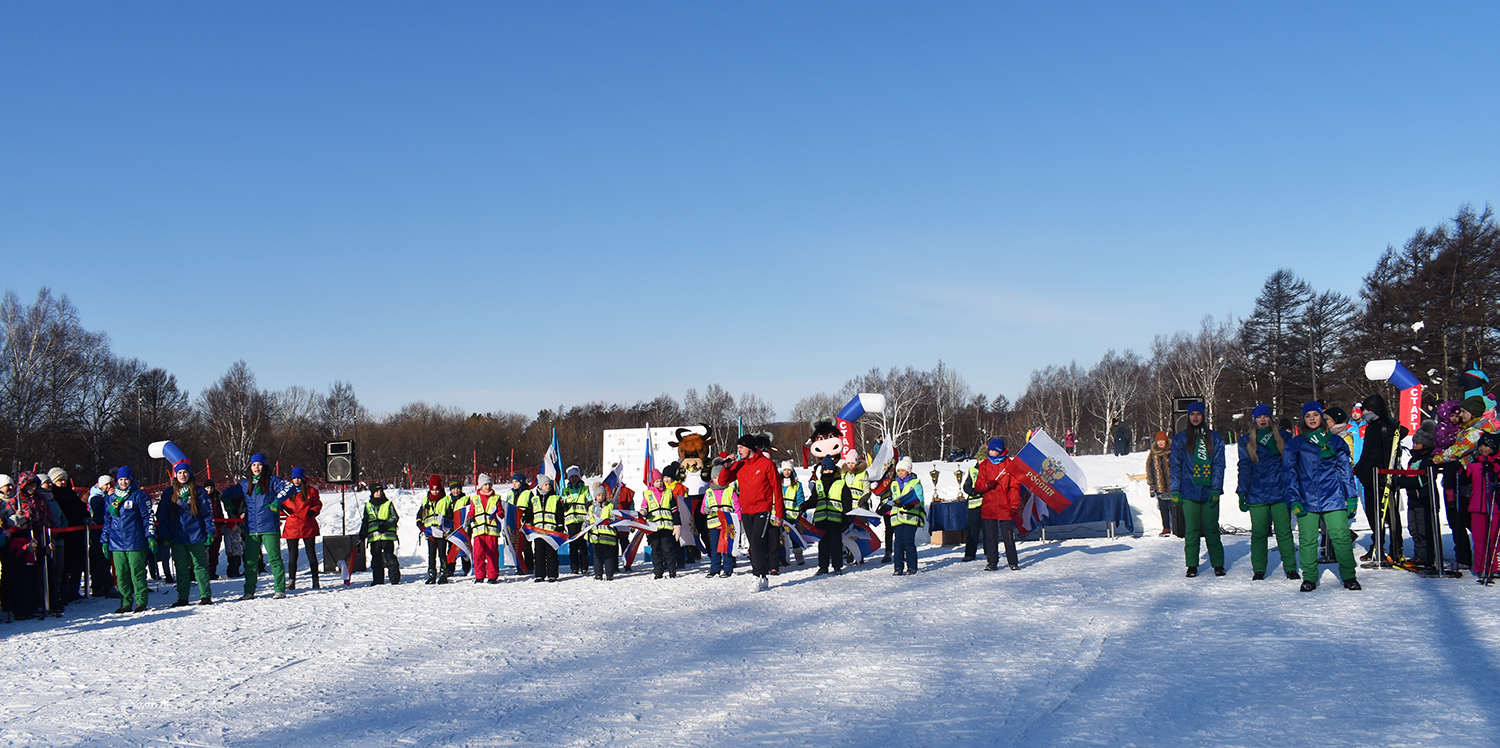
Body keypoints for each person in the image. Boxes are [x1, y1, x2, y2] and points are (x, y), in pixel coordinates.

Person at [1284, 402, 1362, 591]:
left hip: (1333, 497)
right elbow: (1289, 473)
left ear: (1322, 418)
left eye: (1315, 415)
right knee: (1308, 540)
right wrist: (1293, 498)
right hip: (1306, 499)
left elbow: (1345, 471)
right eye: (1308, 415)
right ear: (1303, 419)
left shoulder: (1335, 442)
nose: (1312, 418)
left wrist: (1350, 497)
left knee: (1341, 538)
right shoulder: (1296, 443)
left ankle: (1349, 576)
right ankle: (1309, 578)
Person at [1237, 405, 1298, 581]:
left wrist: (1292, 490)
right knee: (1259, 532)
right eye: (1259, 417)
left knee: (1284, 532)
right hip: (1257, 493)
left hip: (1280, 492)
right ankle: (1259, 569)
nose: (1262, 420)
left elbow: (1291, 466)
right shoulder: (1246, 440)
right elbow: (1245, 467)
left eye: (1265, 416)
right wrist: (1242, 492)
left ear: (1270, 418)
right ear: (1254, 419)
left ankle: (1291, 568)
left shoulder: (1284, 437)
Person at [718, 433, 783, 592]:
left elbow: (777, 489)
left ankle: (757, 576)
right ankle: (763, 575)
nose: (738, 450)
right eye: (738, 447)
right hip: (746, 510)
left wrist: (780, 514)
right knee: (755, 545)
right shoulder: (740, 464)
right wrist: (727, 466)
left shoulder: (767, 464)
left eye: (741, 447)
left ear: (749, 447)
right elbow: (722, 481)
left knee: (755, 541)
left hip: (763, 508)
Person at [1169, 402, 1226, 577]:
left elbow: (1218, 465)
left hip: (1209, 491)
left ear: (1203, 416)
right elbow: (1175, 465)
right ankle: (1192, 565)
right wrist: (1175, 490)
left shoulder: (1214, 438)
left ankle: (1218, 564)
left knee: (1212, 529)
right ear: (1188, 417)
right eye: (1192, 414)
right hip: (1188, 491)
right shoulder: (1180, 439)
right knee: (1191, 530)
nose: (1195, 417)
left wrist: (1216, 488)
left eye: (1198, 414)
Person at [1354, 393, 1407, 564]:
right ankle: (1377, 544)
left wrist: (1387, 476)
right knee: (1372, 514)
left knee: (1389, 516)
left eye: (1368, 410)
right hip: (1369, 477)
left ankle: (1395, 549)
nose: (1365, 413)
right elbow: (1367, 454)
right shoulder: (1370, 427)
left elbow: (1387, 454)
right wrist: (1360, 469)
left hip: (1383, 478)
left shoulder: (1386, 426)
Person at [158, 460, 215, 606]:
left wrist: (209, 531)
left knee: (200, 565)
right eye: (179, 473)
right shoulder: (169, 492)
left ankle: (205, 596)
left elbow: (207, 514)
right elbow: (162, 514)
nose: (182, 475)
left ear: (190, 474)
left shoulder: (199, 491)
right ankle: (183, 597)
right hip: (177, 536)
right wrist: (164, 533)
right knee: (181, 567)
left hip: (196, 534)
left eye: (185, 472)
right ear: (175, 475)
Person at [102, 466, 155, 613]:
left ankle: (141, 601)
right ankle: (125, 602)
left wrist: (150, 536)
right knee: (121, 574)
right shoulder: (111, 498)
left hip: (135, 541)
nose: (123, 482)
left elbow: (148, 518)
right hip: (116, 542)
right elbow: (107, 521)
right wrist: (104, 540)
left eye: (126, 479)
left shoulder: (139, 496)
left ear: (131, 480)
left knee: (137, 573)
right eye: (120, 479)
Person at [239, 453, 292, 600]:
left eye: (259, 464)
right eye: (254, 465)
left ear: (264, 466)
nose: (257, 467)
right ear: (250, 467)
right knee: (250, 561)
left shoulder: (272, 480)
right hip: (251, 528)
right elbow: (229, 494)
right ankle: (249, 591)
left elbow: (290, 487)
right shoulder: (245, 483)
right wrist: (229, 506)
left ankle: (280, 589)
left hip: (269, 525)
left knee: (274, 558)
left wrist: (277, 501)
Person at [973, 437, 1023, 570]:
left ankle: (1013, 562)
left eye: (992, 450)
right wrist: (987, 485)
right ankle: (992, 562)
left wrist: (1014, 504)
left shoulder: (1010, 465)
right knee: (990, 537)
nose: (989, 452)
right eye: (989, 449)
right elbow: (978, 485)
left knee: (1008, 536)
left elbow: (1014, 487)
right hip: (989, 506)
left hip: (1004, 506)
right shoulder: (984, 465)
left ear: (999, 451)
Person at [1435, 400, 1472, 568]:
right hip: (1451, 474)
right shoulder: (1444, 428)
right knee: (1455, 515)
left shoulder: (1469, 430)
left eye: (1459, 415)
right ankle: (1463, 555)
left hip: (1463, 476)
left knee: (1466, 516)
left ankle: (1470, 555)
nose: (1457, 419)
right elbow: (1446, 445)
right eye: (1454, 416)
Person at [45, 468, 90, 604]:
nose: (63, 482)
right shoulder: (53, 497)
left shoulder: (71, 494)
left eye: (64, 479)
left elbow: (81, 508)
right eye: (59, 480)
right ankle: (63, 591)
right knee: (63, 564)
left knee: (77, 562)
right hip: (62, 536)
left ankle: (74, 589)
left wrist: (85, 517)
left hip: (77, 534)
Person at [804, 457, 849, 577]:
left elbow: (846, 502)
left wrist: (847, 516)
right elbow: (813, 500)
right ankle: (823, 567)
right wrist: (803, 506)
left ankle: (837, 566)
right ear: (822, 471)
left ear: (834, 470)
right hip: (821, 520)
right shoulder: (818, 484)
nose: (827, 472)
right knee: (823, 544)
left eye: (830, 470)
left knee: (836, 544)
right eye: (825, 470)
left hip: (836, 520)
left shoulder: (841, 483)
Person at [280, 466, 322, 590]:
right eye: (294, 478)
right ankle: (291, 581)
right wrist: (283, 512)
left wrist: (313, 511)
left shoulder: (311, 491)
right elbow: (279, 505)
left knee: (311, 554)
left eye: (299, 478)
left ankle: (315, 579)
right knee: (293, 556)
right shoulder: (286, 492)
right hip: (292, 526)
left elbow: (318, 504)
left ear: (303, 478)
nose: (297, 480)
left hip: (308, 525)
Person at [1465, 433, 1500, 579]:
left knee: (1494, 538)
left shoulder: (1497, 464)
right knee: (1479, 539)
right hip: (1477, 507)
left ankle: (1495, 566)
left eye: (1487, 446)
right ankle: (1480, 567)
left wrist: (1493, 469)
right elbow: (1465, 478)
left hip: (1494, 507)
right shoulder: (1474, 464)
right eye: (1481, 445)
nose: (1483, 449)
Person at [358, 483, 401, 585]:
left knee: (389, 557)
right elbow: (365, 521)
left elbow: (394, 517)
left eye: (381, 491)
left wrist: (386, 525)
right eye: (377, 491)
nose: (379, 493)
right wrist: (363, 533)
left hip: (387, 536)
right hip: (374, 538)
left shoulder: (388, 504)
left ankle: (394, 579)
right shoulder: (368, 506)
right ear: (372, 493)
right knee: (376, 558)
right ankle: (378, 580)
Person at [888, 457, 925, 575]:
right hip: (897, 518)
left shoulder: (915, 483)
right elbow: (891, 497)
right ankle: (898, 567)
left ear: (908, 471)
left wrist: (912, 504)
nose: (900, 473)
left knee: (908, 542)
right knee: (898, 543)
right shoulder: (894, 483)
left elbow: (920, 499)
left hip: (910, 517)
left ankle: (912, 566)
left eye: (902, 471)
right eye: (898, 471)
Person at [643, 470, 679, 579]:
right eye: (657, 481)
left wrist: (677, 524)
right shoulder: (647, 494)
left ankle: (672, 569)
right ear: (652, 483)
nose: (660, 484)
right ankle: (658, 571)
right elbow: (645, 506)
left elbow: (674, 510)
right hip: (653, 527)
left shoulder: (668, 493)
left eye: (661, 481)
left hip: (666, 526)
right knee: (656, 550)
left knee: (667, 549)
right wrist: (643, 512)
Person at [87, 475, 120, 598]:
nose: (109, 487)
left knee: (102, 561)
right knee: (102, 560)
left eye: (111, 484)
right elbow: (98, 509)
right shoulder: (95, 496)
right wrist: (108, 497)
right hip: (97, 532)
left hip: (106, 531)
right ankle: (103, 586)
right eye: (107, 485)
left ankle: (100, 586)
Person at [415, 476, 452, 584]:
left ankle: (444, 574)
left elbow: (450, 515)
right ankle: (431, 574)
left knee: (442, 552)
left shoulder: (446, 500)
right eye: (432, 489)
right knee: (431, 553)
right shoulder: (426, 500)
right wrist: (420, 523)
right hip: (430, 531)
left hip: (441, 531)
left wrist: (446, 524)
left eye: (437, 489)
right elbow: (420, 514)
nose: (435, 492)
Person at [468, 474, 504, 583]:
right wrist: (469, 517)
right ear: (480, 486)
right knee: (478, 554)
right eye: (485, 484)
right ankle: (479, 575)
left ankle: (492, 576)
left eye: (489, 484)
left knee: (492, 553)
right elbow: (472, 511)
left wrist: (499, 513)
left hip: (491, 531)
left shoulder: (496, 498)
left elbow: (501, 512)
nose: (487, 486)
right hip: (479, 531)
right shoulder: (475, 499)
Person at [529, 475, 564, 582]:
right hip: (538, 531)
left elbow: (560, 513)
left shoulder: (555, 498)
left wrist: (560, 525)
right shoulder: (534, 499)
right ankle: (539, 574)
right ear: (540, 486)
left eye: (549, 484)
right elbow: (530, 513)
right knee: (539, 553)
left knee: (551, 554)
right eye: (546, 484)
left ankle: (552, 574)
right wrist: (528, 522)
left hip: (551, 531)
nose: (548, 486)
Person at [703, 476, 737, 577]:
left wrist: (738, 519)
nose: (717, 480)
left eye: (719, 477)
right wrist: (705, 509)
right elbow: (703, 507)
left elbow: (736, 504)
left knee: (727, 546)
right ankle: (714, 569)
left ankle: (728, 568)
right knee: (715, 547)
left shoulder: (730, 490)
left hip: (727, 523)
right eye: (715, 477)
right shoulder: (708, 492)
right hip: (713, 524)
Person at [561, 466, 591, 576]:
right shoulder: (565, 491)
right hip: (571, 521)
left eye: (575, 477)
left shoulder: (584, 489)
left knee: (582, 544)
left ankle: (584, 567)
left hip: (582, 520)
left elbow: (590, 503)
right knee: (573, 545)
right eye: (571, 477)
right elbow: (562, 504)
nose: (574, 479)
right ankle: (574, 567)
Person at [587, 484, 618, 580]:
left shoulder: (610, 506)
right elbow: (587, 519)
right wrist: (584, 527)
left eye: (602, 495)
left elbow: (615, 518)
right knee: (597, 556)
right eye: (599, 495)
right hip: (596, 536)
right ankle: (598, 574)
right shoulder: (591, 508)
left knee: (608, 556)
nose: (601, 497)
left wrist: (609, 520)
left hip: (608, 536)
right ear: (595, 496)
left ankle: (609, 574)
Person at [1145, 431, 1173, 536]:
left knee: (1174, 508)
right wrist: (1152, 484)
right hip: (1160, 485)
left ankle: (1177, 527)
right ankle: (1166, 527)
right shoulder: (1153, 453)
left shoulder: (1173, 451)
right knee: (1163, 508)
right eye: (1158, 441)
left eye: (1162, 441)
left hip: (1173, 486)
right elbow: (1149, 467)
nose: (1160, 443)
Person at [507, 473, 535, 574]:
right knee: (517, 546)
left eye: (517, 482)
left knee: (527, 546)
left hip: (525, 524)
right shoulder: (510, 494)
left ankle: (529, 566)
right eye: (513, 482)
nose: (514, 484)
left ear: (522, 482)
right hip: (514, 524)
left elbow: (533, 508)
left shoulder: (528, 493)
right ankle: (520, 566)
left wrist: (527, 516)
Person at [779, 462, 806, 567]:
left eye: (788, 470)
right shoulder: (778, 483)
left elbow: (800, 499)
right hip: (781, 515)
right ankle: (781, 558)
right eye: (785, 470)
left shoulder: (797, 484)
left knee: (795, 537)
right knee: (780, 538)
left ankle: (798, 555)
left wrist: (802, 511)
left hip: (793, 516)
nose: (786, 472)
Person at [961, 462, 983, 560]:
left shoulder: (990, 469)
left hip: (986, 505)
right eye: (980, 459)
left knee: (988, 532)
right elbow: (966, 486)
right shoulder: (973, 471)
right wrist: (973, 491)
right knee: (972, 531)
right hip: (974, 506)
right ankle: (970, 554)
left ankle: (990, 553)